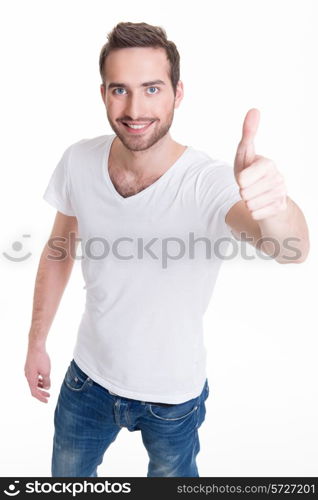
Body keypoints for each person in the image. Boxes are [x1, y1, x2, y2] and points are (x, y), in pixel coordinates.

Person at [24, 21, 309, 478]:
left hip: (172, 398)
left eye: (152, 88)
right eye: (120, 89)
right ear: (103, 94)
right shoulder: (78, 160)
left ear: (177, 93)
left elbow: (291, 249)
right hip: (87, 383)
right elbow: (60, 250)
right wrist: (36, 341)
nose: (135, 108)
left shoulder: (209, 182)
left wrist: (274, 205)